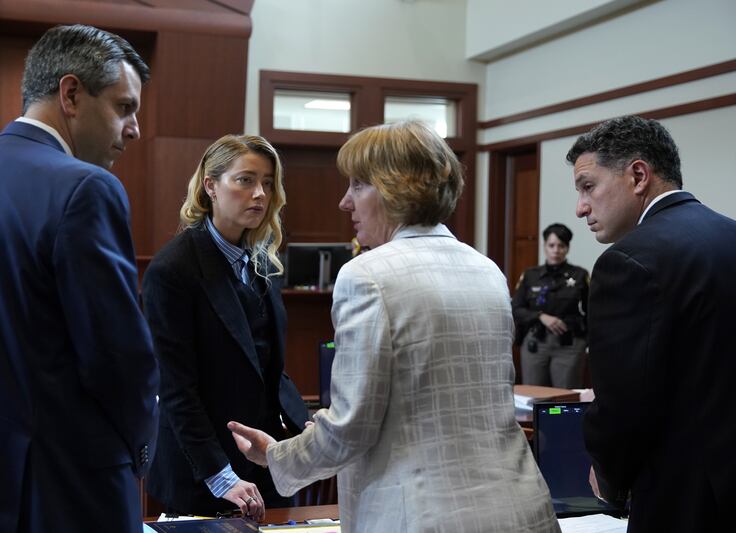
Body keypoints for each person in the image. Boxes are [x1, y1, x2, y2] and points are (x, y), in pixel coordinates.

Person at [228, 120, 560, 533]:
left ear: (395, 188)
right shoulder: (486, 268)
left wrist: (276, 454)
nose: (344, 202)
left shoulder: (366, 275)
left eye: (358, 186)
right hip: (522, 510)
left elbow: (352, 428)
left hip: (424, 517)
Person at [0, 25, 159, 532]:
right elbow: (119, 358)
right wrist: (140, 452)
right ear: (72, 94)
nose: (134, 129)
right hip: (61, 492)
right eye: (124, 107)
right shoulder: (85, 188)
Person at [568, 115, 736, 532]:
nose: (580, 207)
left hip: (682, 499)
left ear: (638, 175)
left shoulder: (628, 262)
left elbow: (625, 403)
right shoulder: (730, 235)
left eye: (588, 186)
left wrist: (608, 476)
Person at [141, 134, 309, 522]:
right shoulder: (172, 270)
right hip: (205, 471)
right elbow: (176, 390)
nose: (260, 194)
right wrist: (221, 477)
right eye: (245, 180)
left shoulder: (263, 260)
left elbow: (267, 366)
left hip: (266, 463)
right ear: (210, 185)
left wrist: (308, 427)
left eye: (268, 183)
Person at [512, 223, 589, 388]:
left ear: (567, 248)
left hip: (569, 345)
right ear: (544, 246)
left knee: (566, 399)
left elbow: (592, 311)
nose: (556, 250)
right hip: (536, 343)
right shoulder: (530, 275)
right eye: (551, 245)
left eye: (561, 246)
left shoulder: (579, 275)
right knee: (534, 398)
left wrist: (586, 340)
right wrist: (541, 316)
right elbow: (516, 309)